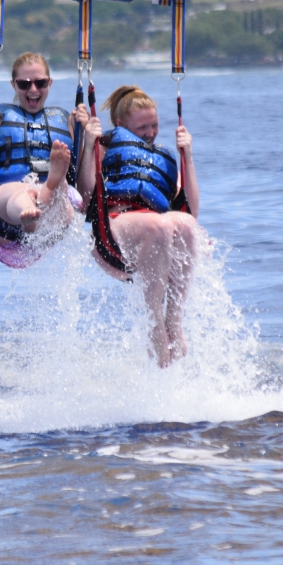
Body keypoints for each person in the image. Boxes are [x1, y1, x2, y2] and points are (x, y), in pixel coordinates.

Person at [79, 85, 200, 368]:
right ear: (120, 125)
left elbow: (192, 211)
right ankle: (153, 319)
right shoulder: (107, 144)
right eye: (142, 126)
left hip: (154, 234)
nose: (150, 132)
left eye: (155, 125)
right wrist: (87, 146)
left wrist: (188, 156)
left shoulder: (164, 158)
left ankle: (173, 317)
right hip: (112, 234)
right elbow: (85, 199)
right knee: (157, 225)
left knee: (184, 226)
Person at [0, 52, 89, 269]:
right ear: (14, 85)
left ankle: (50, 187)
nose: (33, 90)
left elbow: (84, 185)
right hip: (3, 219)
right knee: (22, 192)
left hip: (51, 220)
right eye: (24, 84)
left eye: (40, 83)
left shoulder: (69, 121)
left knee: (63, 190)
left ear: (49, 83)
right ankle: (30, 211)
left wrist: (88, 138)